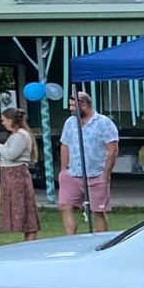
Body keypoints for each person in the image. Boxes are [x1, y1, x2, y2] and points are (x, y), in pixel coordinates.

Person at [57, 91, 119, 234]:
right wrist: (63, 170)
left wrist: (106, 174)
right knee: (65, 206)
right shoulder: (70, 122)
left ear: (84, 105)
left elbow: (112, 150)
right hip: (72, 173)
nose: (71, 109)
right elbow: (65, 145)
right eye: (70, 106)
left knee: (98, 211)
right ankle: (71, 240)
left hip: (96, 173)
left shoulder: (104, 123)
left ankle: (101, 241)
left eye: (74, 106)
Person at [0, 108, 40, 242]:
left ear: (11, 120)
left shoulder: (21, 135)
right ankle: (28, 239)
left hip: (16, 175)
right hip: (10, 175)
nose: (3, 123)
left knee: (25, 208)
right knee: (20, 207)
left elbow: (11, 155)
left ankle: (31, 239)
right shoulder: (15, 136)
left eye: (4, 120)